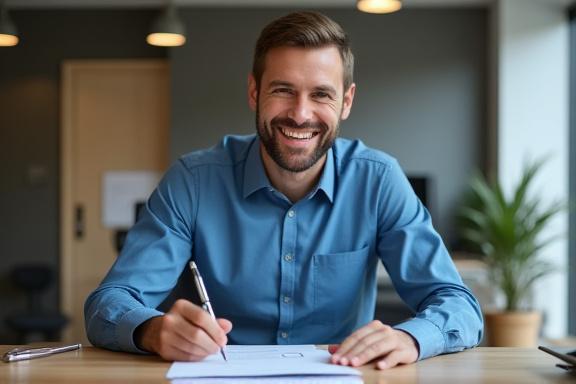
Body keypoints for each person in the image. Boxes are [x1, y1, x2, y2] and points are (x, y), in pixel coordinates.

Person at [85, 11, 483, 370]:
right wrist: (153, 330)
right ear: (254, 93)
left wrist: (410, 337)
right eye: (283, 90)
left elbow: (459, 305)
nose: (300, 113)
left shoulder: (377, 180)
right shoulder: (193, 180)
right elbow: (109, 303)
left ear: (346, 102)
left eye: (321, 94)